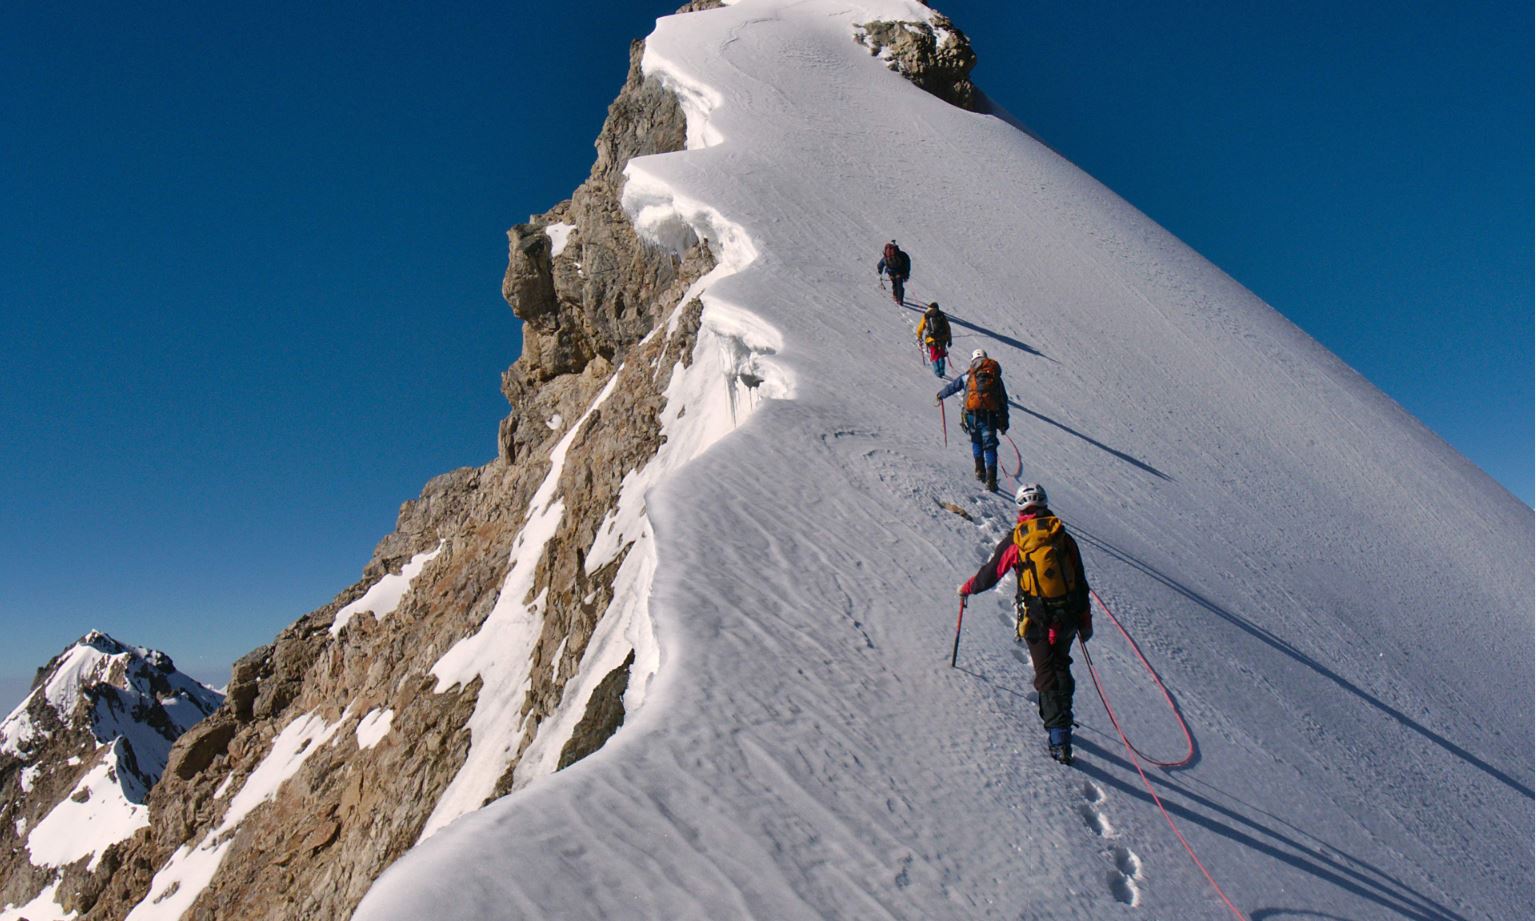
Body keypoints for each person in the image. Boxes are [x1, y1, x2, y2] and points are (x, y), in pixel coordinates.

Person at [957, 483, 1093, 764]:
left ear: (1020, 508)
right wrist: (1085, 620)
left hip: (1037, 619)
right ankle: (1060, 717)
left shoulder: (1018, 540)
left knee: (1046, 674)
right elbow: (1079, 582)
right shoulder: (1063, 538)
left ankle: (1058, 737)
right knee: (1060, 664)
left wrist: (967, 588)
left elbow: (992, 573)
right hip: (1067, 616)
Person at [935, 348, 1009, 491]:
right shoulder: (995, 378)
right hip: (989, 417)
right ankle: (991, 480)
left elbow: (953, 386)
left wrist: (941, 395)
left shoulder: (969, 375)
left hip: (971, 416)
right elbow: (1002, 401)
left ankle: (979, 470)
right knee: (990, 446)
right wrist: (1004, 423)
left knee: (976, 440)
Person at [915, 302, 952, 378]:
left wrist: (919, 337)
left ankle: (937, 371)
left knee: (935, 355)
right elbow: (948, 328)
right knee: (941, 355)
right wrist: (949, 339)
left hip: (931, 340)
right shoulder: (941, 315)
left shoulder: (926, 316)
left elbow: (920, 329)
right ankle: (942, 371)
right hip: (942, 339)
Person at [877, 240, 911, 304]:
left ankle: (895, 296)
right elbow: (907, 263)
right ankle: (900, 300)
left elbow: (880, 264)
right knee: (899, 285)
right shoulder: (902, 254)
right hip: (900, 272)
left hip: (891, 272)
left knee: (894, 284)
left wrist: (880, 270)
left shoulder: (887, 256)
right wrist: (907, 274)